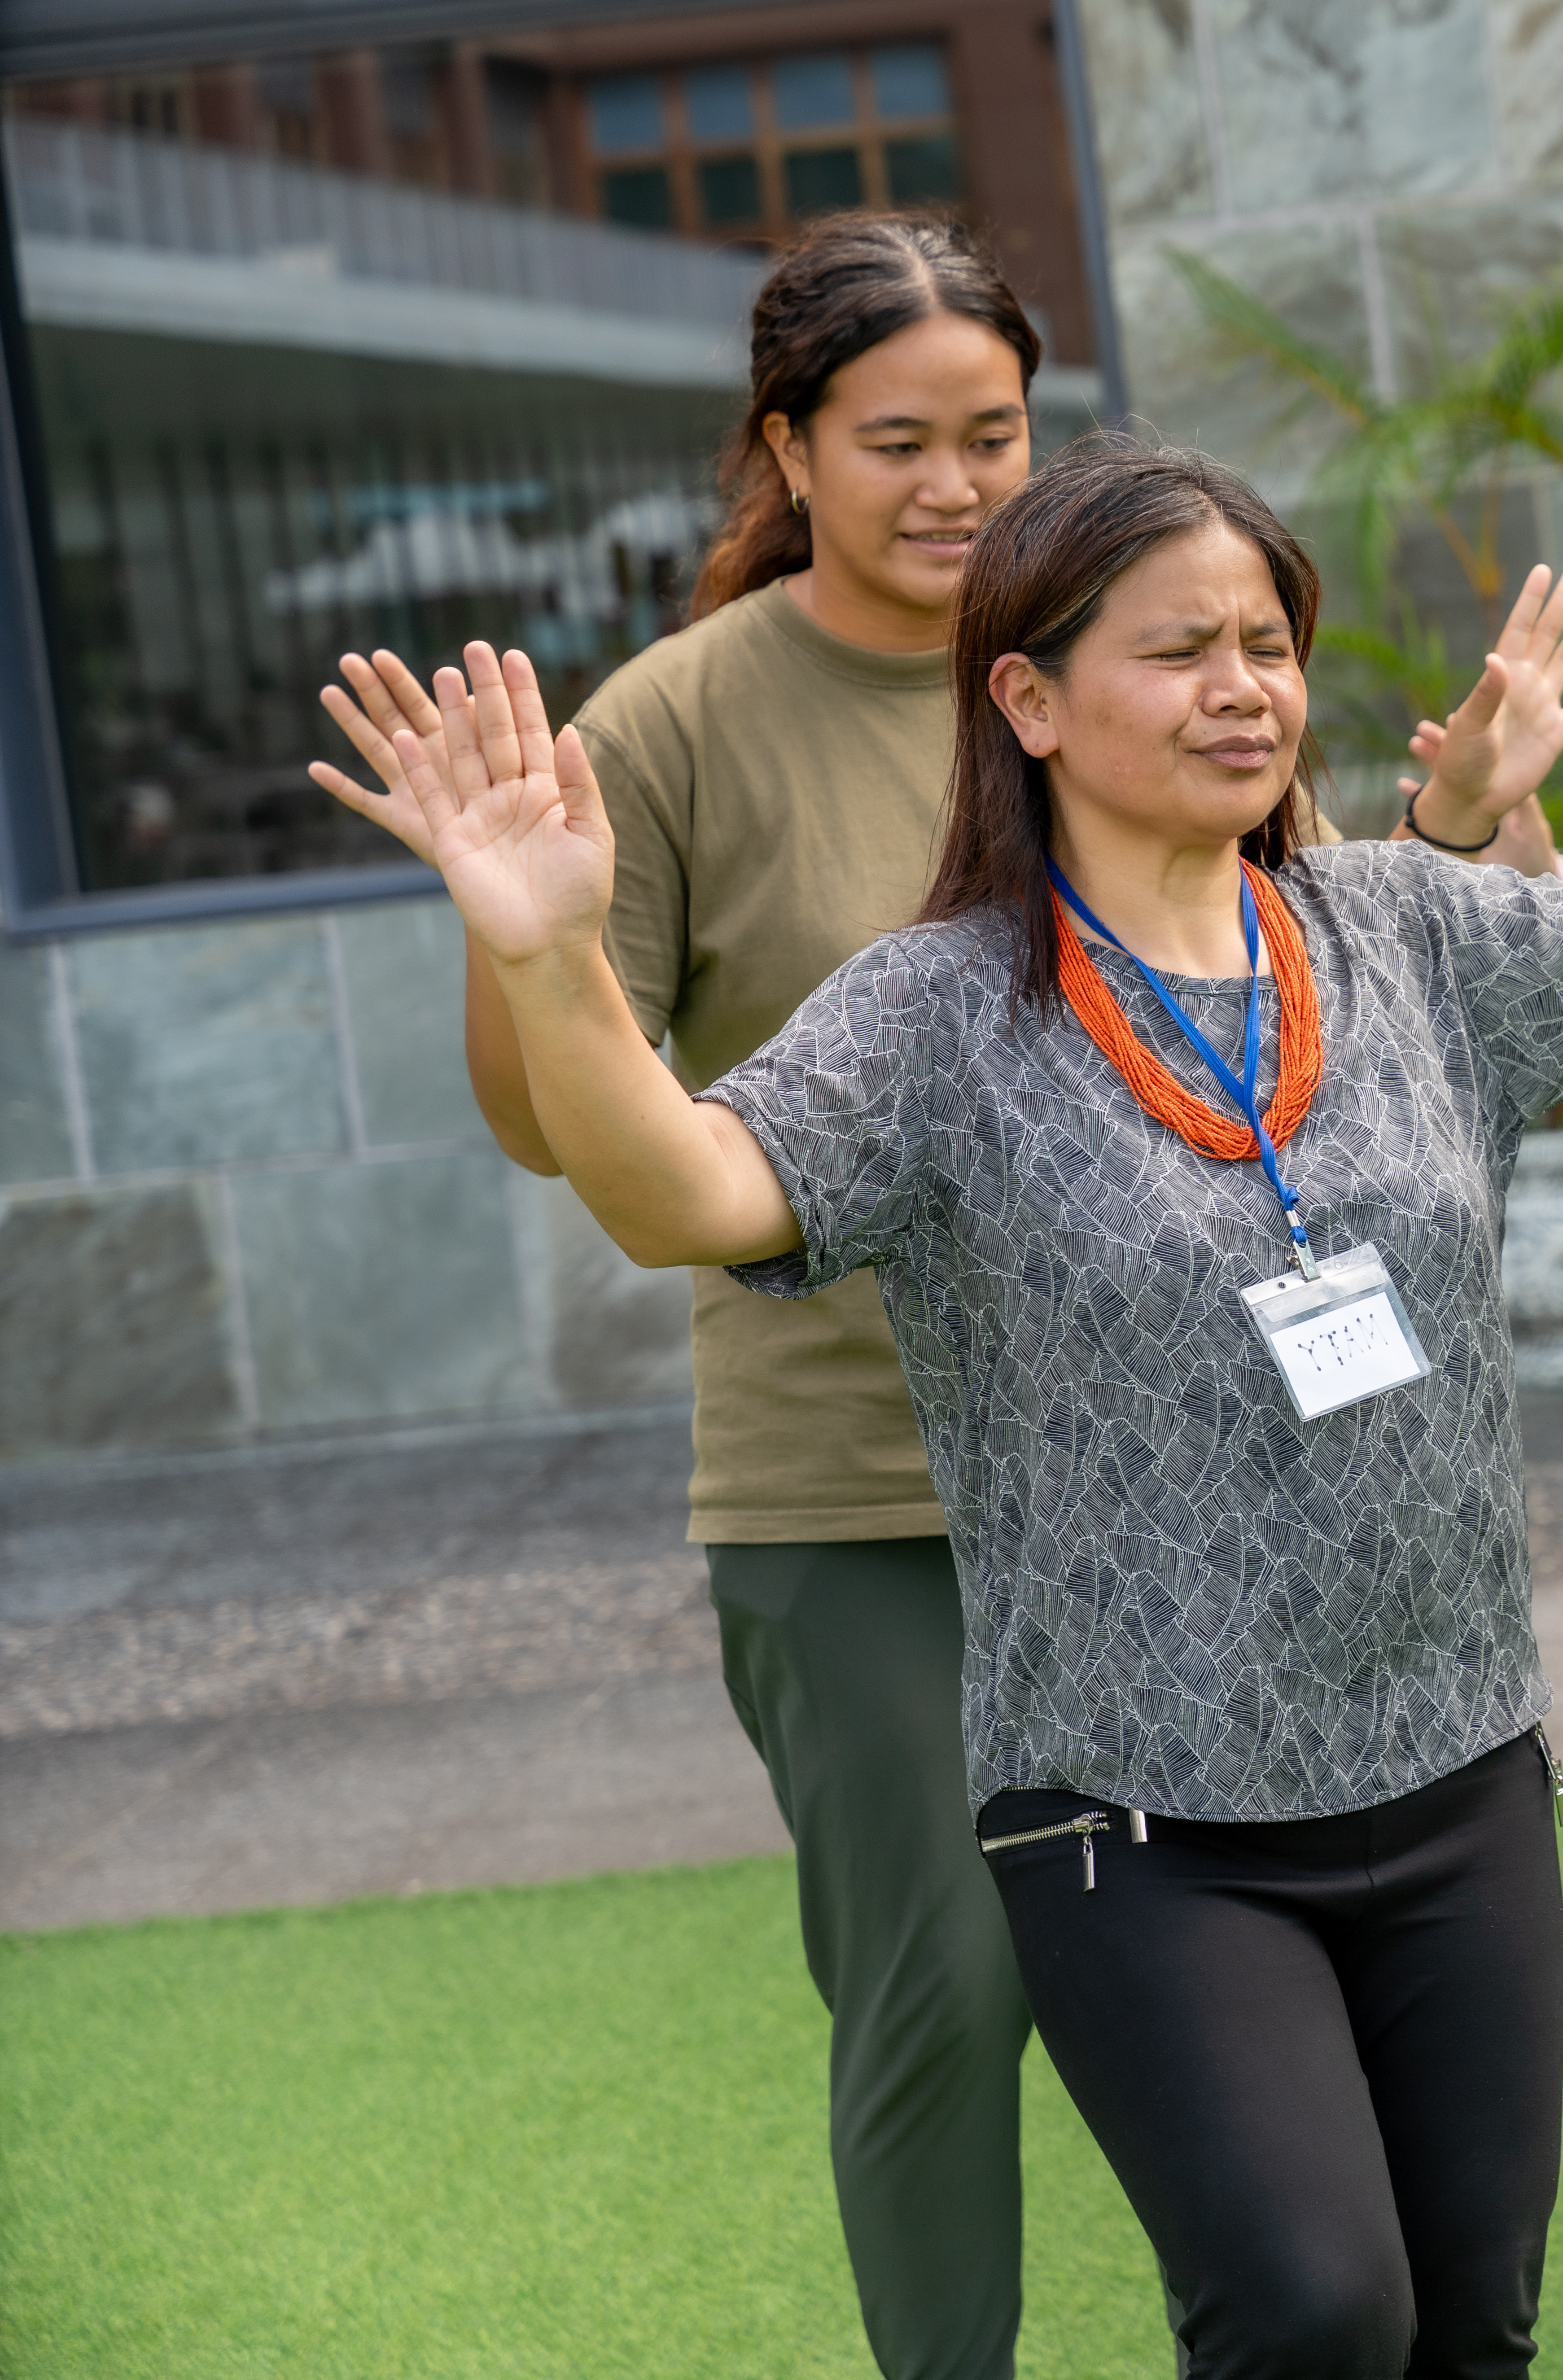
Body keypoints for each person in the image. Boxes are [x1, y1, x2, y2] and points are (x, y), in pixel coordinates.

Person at [329, 420, 1563, 2378]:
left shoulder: (1401, 930)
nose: (1244, 686)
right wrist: (558, 960)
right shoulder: (935, 1011)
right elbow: (691, 1192)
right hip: (1140, 1815)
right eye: (1179, 649)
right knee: (1311, 2310)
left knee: (1472, 2328)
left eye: (1267, 640)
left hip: (1454, 1763)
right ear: (1027, 696)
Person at [314, 213, 1056, 2380]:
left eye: (994, 435)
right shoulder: (671, 725)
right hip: (852, 1486)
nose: (955, 488)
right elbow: (553, 1128)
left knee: (1210, 1958)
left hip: (1152, 1446)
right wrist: (515, 926)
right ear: (788, 449)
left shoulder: (1093, 658)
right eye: (898, 441)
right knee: (951, 1983)